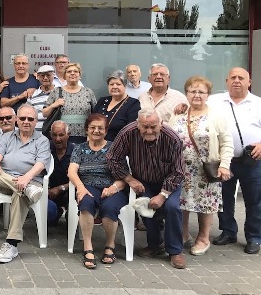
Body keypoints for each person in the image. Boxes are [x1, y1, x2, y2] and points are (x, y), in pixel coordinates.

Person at [107, 107, 187, 269]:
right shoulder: (127, 133)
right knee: (146, 207)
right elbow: (112, 159)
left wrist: (163, 195)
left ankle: (175, 251)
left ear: (161, 124)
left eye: (153, 126)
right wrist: (129, 179)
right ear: (138, 124)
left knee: (172, 208)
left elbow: (178, 171)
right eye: (145, 126)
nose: (149, 130)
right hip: (143, 179)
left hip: (168, 181)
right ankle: (154, 244)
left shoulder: (172, 139)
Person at [168, 76, 233, 256]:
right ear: (186, 93)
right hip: (181, 168)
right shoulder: (179, 113)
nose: (196, 95)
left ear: (208, 95)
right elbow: (167, 136)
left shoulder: (216, 116)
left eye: (201, 92)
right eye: (192, 91)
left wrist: (225, 166)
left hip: (206, 169)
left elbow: (227, 143)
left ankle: (204, 238)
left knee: (205, 203)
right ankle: (183, 234)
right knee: (182, 201)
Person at [0, 104, 51, 263]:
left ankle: (11, 244)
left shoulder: (42, 140)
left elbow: (41, 164)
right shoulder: (7, 137)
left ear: (36, 122)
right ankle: (24, 189)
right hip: (6, 179)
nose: (26, 121)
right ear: (17, 120)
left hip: (32, 181)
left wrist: (26, 178)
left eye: (30, 119)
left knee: (19, 194)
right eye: (22, 118)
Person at [207, 67, 261, 254]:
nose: (237, 80)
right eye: (233, 78)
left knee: (254, 200)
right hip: (224, 160)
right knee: (224, 198)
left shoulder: (258, 103)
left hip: (252, 161)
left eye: (241, 78)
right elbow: (196, 110)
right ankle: (228, 231)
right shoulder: (214, 101)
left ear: (249, 82)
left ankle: (254, 237)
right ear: (227, 81)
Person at [68, 114, 129, 268]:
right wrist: (80, 187)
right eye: (92, 128)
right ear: (86, 130)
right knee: (86, 201)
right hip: (88, 186)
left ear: (106, 130)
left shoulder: (114, 148)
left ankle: (110, 245)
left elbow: (124, 176)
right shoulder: (79, 149)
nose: (96, 131)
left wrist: (113, 188)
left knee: (110, 207)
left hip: (113, 188)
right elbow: (72, 172)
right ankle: (88, 247)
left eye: (100, 128)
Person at [42, 63, 96, 144]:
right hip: (61, 137)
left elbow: (95, 114)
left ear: (80, 75)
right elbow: (44, 113)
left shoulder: (88, 92)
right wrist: (54, 105)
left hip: (84, 137)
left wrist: (91, 133)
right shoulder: (56, 91)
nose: (72, 73)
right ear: (64, 76)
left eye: (75, 71)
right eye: (69, 71)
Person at [93, 70, 140, 141]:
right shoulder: (102, 101)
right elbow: (91, 123)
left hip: (119, 147)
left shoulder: (133, 104)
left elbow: (131, 132)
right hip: (96, 145)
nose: (114, 87)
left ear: (125, 86)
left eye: (118, 84)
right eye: (111, 84)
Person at [47, 120, 74, 226]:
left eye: (61, 135)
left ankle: (71, 215)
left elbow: (81, 179)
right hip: (48, 192)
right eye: (54, 135)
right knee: (49, 218)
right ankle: (56, 212)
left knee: (72, 223)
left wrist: (60, 188)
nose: (57, 139)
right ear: (50, 135)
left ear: (68, 135)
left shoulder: (76, 151)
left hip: (69, 190)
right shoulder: (45, 149)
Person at [29, 64, 56, 132]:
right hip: (37, 135)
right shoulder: (32, 95)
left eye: (48, 75)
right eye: (42, 75)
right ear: (38, 77)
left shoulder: (60, 93)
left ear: (54, 75)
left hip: (55, 135)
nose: (45, 78)